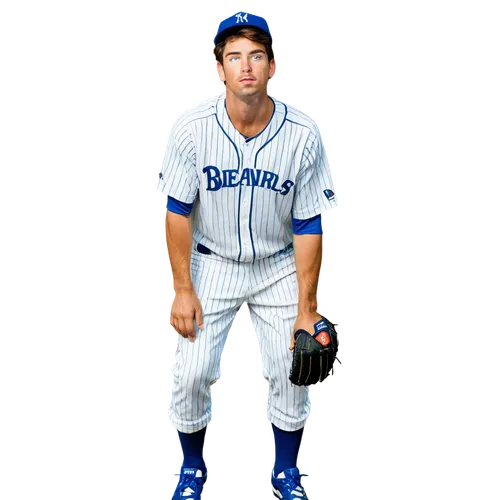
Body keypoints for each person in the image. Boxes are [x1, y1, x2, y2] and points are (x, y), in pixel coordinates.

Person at [159, 8, 338, 499]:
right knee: (191, 370)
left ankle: (284, 472)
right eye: (233, 56)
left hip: (279, 264)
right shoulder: (191, 128)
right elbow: (175, 211)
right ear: (218, 68)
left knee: (290, 367)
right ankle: (191, 470)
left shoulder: (304, 133)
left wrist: (309, 308)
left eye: (256, 55)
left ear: (273, 67)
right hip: (211, 261)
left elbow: (309, 222)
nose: (245, 66)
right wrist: (181, 289)